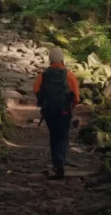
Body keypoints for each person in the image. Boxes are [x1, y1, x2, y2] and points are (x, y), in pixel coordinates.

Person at [33, 47, 80, 179]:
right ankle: (61, 160)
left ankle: (56, 162)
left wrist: (45, 100)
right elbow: (76, 96)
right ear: (62, 59)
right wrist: (72, 105)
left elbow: (36, 89)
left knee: (53, 136)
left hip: (49, 111)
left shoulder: (44, 75)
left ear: (50, 60)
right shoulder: (68, 75)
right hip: (64, 111)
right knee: (63, 136)